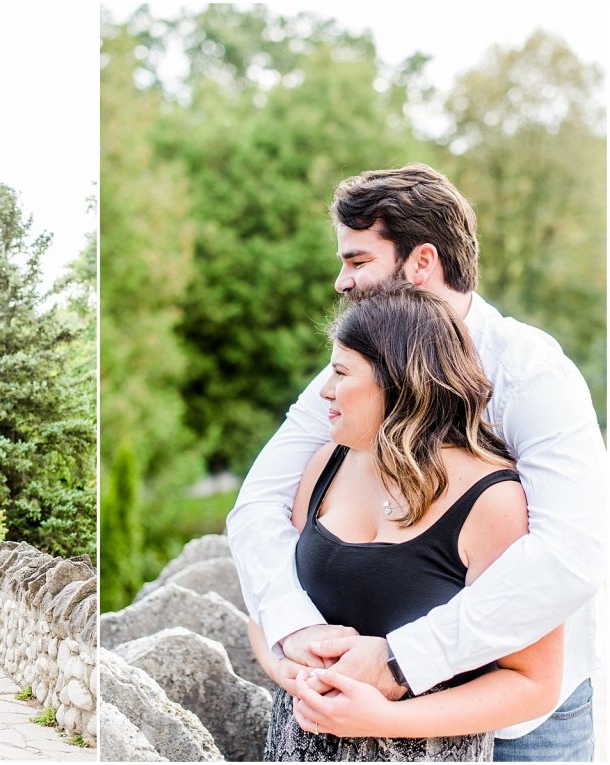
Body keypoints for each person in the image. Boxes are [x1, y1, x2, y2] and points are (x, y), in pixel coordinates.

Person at [227, 164, 605, 761]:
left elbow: (571, 554)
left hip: (523, 723)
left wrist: (403, 661)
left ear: (421, 263)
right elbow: (256, 506)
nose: (341, 281)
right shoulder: (346, 377)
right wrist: (295, 630)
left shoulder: (532, 374)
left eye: (357, 261)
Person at [252, 285, 562, 760]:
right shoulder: (326, 465)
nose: (324, 391)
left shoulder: (495, 503)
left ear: (400, 382)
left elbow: (534, 683)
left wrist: (383, 720)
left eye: (340, 372)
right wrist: (288, 665)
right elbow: (265, 604)